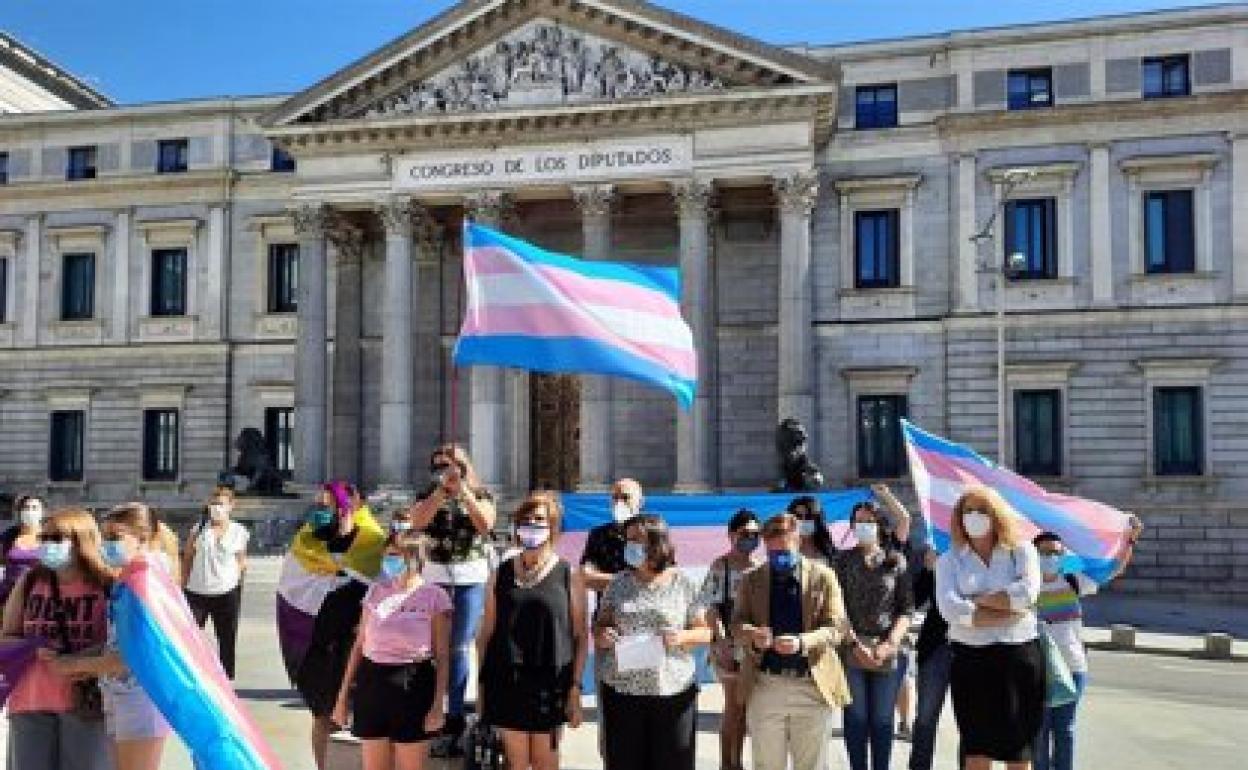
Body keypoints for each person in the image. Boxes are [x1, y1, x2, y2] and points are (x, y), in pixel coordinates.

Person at [56, 503, 175, 770]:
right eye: (104, 537)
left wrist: (75, 665)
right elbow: (118, 640)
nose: (106, 545)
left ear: (142, 539)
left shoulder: (147, 582)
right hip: (121, 694)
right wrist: (82, 658)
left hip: (141, 697)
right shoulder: (130, 579)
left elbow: (133, 656)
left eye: (115, 537)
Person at [936, 486, 1044, 770]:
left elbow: (1027, 594)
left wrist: (975, 601)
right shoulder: (949, 560)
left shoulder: (1021, 551)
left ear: (996, 515)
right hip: (970, 661)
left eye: (982, 510)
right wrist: (1005, 609)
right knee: (976, 750)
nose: (974, 517)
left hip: (1018, 658)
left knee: (1018, 752)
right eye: (967, 511)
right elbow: (950, 610)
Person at [477, 492, 588, 770]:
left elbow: (580, 635)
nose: (532, 524)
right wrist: (481, 686)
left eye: (539, 519)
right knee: (515, 762)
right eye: (525, 519)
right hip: (507, 678)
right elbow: (486, 633)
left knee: (545, 761)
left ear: (552, 526)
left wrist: (575, 688)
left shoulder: (568, 574)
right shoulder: (499, 574)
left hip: (550, 682)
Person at [733, 512, 850, 770]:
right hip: (765, 685)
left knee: (811, 764)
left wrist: (802, 642)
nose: (779, 559)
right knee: (766, 764)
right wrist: (754, 634)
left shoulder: (823, 576)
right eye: (772, 553)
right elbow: (736, 625)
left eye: (784, 551)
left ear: (798, 542)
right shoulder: (751, 579)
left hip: (811, 684)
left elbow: (836, 628)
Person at [594, 514, 711, 770]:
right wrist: (602, 635)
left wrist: (681, 637)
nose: (630, 546)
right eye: (628, 540)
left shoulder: (684, 582)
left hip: (672, 691)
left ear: (657, 543)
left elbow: (705, 632)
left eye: (637, 540)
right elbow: (600, 625)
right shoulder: (618, 583)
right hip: (623, 692)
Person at [0, 508, 112, 770]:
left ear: (81, 540)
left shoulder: (105, 585)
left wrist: (78, 659)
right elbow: (6, 637)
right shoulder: (30, 581)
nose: (48, 545)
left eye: (57, 538)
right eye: (45, 538)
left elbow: (120, 644)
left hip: (85, 700)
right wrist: (30, 648)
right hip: (30, 698)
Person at [407, 443, 497, 756]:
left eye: (449, 466)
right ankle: (433, 708)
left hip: (469, 578)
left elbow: (486, 525)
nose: (442, 471)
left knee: (458, 646)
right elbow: (416, 522)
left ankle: (455, 714)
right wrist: (441, 493)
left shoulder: (481, 494)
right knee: (433, 646)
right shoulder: (428, 494)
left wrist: (464, 492)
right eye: (437, 466)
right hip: (435, 577)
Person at [332, 532, 451, 770]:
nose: (390, 561)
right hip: (372, 684)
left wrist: (439, 704)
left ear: (416, 559)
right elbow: (359, 646)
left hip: (413, 686)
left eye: (396, 556)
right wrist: (342, 697)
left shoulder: (434, 596)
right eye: (387, 555)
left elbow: (443, 655)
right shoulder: (375, 592)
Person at [1032, 517, 1142, 770]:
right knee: (1039, 734)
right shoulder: (1027, 585)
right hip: (1037, 670)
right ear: (1034, 554)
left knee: (1065, 731)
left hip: (1072, 668)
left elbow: (1114, 568)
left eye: (1056, 552)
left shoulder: (1073, 580)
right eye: (1045, 552)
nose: (1051, 557)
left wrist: (1129, 540)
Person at [296, 481, 387, 770]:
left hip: (354, 639)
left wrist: (347, 530)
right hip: (319, 640)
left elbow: (376, 582)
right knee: (322, 714)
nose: (327, 511)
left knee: (353, 713)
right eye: (322, 506)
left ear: (354, 504)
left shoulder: (372, 538)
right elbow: (294, 580)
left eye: (333, 505)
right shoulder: (311, 537)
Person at [836, 500, 914, 770]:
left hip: (888, 649)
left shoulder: (896, 560)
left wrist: (890, 643)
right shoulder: (842, 560)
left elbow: (907, 608)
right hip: (851, 647)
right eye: (859, 521)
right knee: (856, 717)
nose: (863, 526)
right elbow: (836, 608)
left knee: (882, 719)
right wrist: (855, 645)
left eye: (869, 521)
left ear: (880, 525)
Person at [699, 509, 762, 770]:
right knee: (732, 707)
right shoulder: (720, 566)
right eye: (745, 534)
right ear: (731, 535)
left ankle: (738, 761)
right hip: (727, 646)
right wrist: (722, 640)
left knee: (746, 709)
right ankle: (728, 763)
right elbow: (709, 606)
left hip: (751, 647)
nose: (750, 539)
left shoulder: (760, 568)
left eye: (755, 534)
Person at [182, 486, 249, 679]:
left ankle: (226, 678)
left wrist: (237, 580)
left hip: (226, 591)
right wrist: (182, 586)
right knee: (191, 636)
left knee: (227, 638)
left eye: (220, 504)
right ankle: (191, 674)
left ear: (231, 506)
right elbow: (187, 558)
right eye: (213, 503)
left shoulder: (239, 531)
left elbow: (242, 560)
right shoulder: (199, 529)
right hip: (197, 591)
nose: (216, 508)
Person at [908, 545, 952, 770]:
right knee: (926, 717)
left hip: (973, 649)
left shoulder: (983, 561)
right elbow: (914, 601)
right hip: (935, 648)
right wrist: (928, 570)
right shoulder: (940, 557)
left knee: (970, 722)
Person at [580, 478, 644, 603]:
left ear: (640, 502)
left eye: (625, 497)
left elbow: (662, 578)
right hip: (607, 616)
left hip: (645, 617)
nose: (619, 502)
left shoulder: (653, 533)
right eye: (615, 497)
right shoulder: (598, 534)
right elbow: (586, 577)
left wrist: (604, 581)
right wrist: (633, 583)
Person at [0, 494, 46, 608]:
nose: (30, 511)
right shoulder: (9, 535)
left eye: (35, 507)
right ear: (20, 512)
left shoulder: (50, 536)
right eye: (26, 507)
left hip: (38, 595)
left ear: (42, 512)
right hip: (8, 594)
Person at [787, 495, 837, 566]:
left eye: (808, 516)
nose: (803, 520)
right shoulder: (784, 551)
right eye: (798, 516)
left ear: (818, 519)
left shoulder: (829, 551)